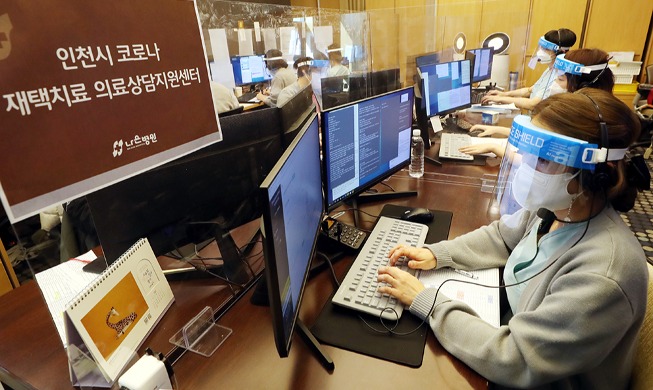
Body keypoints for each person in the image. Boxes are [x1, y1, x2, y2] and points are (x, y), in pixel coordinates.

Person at [377, 89, 649, 389]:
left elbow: (515, 358)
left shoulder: (605, 274)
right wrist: (437, 254)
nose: (528, 166)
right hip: (516, 337)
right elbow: (502, 238)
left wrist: (425, 301)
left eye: (544, 161)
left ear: (596, 174)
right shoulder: (559, 209)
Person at [461, 47, 613, 159]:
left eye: (560, 79)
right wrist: (497, 130)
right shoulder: (595, 107)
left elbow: (534, 164)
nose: (554, 82)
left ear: (582, 84)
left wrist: (493, 147)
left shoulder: (577, 116)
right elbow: (540, 137)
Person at [481, 29, 576, 111]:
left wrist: (500, 99)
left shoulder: (559, 76)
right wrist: (503, 94)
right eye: (541, 47)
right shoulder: (549, 70)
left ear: (560, 52)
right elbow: (530, 90)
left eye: (545, 49)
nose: (541, 51)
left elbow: (533, 104)